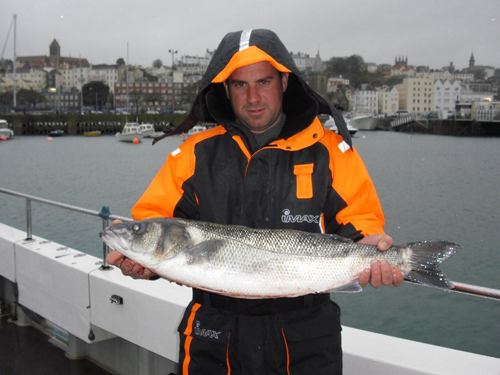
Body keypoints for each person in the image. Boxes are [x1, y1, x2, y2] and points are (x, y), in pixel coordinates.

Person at [107, 29, 403, 375]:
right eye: (239, 85)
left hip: (306, 339)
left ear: (285, 82)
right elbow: (156, 224)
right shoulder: (192, 155)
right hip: (214, 336)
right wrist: (143, 263)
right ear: (224, 90)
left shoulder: (331, 151)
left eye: (264, 82)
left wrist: (373, 247)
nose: (253, 97)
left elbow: (361, 221)